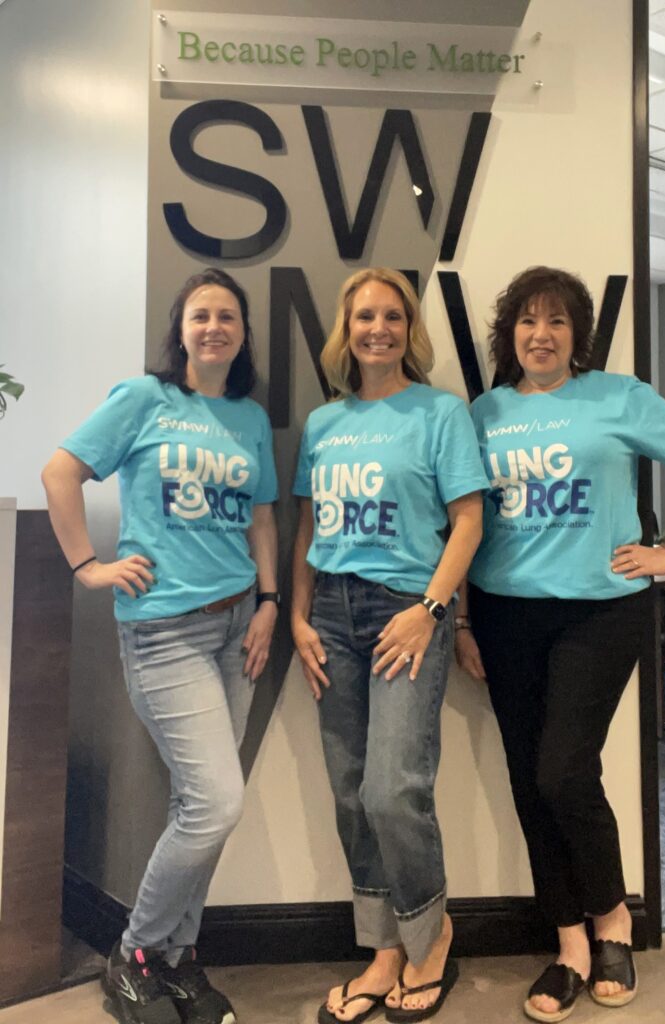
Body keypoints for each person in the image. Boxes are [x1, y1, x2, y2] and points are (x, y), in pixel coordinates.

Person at [455, 266, 665, 1024]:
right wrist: (463, 622)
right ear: (507, 333)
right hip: (504, 615)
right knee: (525, 777)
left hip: (598, 614)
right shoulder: (483, 412)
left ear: (577, 335)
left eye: (556, 322)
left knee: (561, 771)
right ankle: (569, 940)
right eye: (526, 322)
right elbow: (465, 522)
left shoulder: (618, 397)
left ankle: (612, 918)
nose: (540, 335)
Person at [42, 268, 279, 1024]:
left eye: (228, 317)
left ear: (242, 334)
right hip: (164, 631)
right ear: (179, 329)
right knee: (215, 802)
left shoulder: (247, 417)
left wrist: (270, 601)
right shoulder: (144, 400)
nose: (214, 326)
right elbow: (61, 471)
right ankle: (135, 955)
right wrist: (88, 566)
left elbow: (263, 520)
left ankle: (177, 960)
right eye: (201, 315)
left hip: (237, 623)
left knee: (197, 802)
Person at [291, 268, 487, 1024]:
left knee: (391, 789)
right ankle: (381, 950)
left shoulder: (439, 413)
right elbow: (310, 529)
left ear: (410, 328)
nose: (379, 328)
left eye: (393, 316)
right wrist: (302, 616)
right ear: (346, 328)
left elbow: (467, 522)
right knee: (349, 791)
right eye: (365, 315)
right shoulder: (323, 423)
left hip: (405, 610)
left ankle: (430, 939)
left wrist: (431, 611)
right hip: (331, 617)